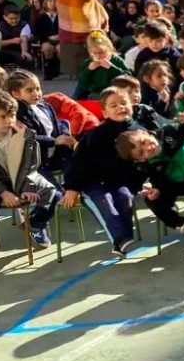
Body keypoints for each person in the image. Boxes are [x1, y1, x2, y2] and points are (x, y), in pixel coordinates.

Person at [0, 91, 61, 254]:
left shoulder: (24, 135)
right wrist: (2, 192)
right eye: (2, 117)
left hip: (21, 177)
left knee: (53, 194)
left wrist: (28, 186)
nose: (9, 121)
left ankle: (35, 224)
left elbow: (31, 164)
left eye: (12, 115)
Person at [117, 114, 184, 253]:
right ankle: (182, 224)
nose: (147, 148)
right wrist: (156, 190)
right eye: (141, 152)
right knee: (152, 200)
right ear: (139, 160)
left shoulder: (168, 132)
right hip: (174, 182)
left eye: (143, 141)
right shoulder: (146, 165)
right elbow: (158, 180)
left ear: (144, 132)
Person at [61, 87, 142, 258]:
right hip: (92, 183)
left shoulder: (138, 131)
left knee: (125, 198)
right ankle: (120, 239)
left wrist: (140, 183)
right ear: (104, 113)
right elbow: (78, 161)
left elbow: (141, 162)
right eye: (113, 105)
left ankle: (123, 242)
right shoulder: (96, 135)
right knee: (104, 202)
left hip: (119, 182)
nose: (120, 107)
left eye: (123, 103)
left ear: (131, 105)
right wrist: (72, 186)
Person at [7, 70, 73, 182]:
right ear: (16, 94)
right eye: (29, 90)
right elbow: (28, 137)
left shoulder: (45, 106)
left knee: (81, 175)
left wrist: (65, 135)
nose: (36, 93)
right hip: (35, 162)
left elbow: (58, 124)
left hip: (56, 156)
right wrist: (54, 141)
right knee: (54, 194)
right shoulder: (17, 114)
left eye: (38, 88)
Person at [56, 0, 110, 78]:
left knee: (89, 80)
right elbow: (83, 21)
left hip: (87, 41)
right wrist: (97, 33)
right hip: (77, 44)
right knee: (86, 80)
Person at [75, 30, 131, 100]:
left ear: (108, 48)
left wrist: (111, 67)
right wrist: (88, 70)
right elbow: (83, 84)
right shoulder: (88, 63)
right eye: (94, 53)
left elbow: (128, 77)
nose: (98, 56)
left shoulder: (116, 60)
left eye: (101, 52)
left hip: (116, 93)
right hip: (96, 94)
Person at [0, 6, 34, 70]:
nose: (14, 20)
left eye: (16, 18)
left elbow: (23, 38)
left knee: (25, 58)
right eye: (11, 18)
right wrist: (12, 41)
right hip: (4, 51)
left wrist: (24, 52)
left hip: (19, 51)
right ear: (5, 17)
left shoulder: (24, 25)